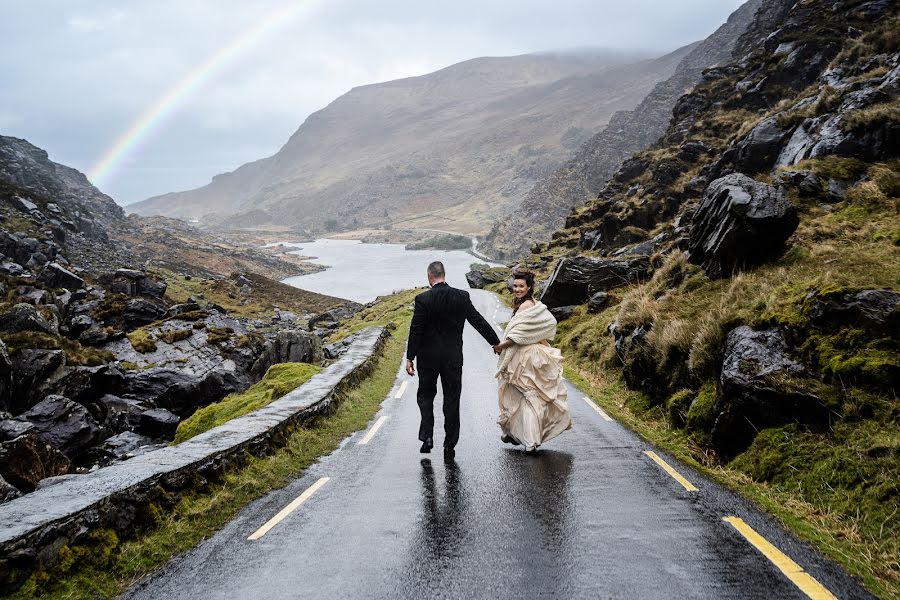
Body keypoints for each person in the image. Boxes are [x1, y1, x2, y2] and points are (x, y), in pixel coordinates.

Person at [406, 261, 501, 459]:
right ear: (443, 274)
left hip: (428, 358)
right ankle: (449, 445)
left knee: (425, 396)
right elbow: (477, 320)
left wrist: (410, 357)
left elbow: (416, 330)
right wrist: (495, 342)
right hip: (452, 358)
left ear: (430, 275)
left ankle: (427, 437)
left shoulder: (422, 299)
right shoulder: (461, 296)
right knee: (451, 399)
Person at [493, 269, 571, 452]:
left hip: (525, 357)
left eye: (521, 286)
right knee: (521, 395)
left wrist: (501, 346)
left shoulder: (525, 306)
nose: (517, 289)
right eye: (515, 286)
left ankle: (531, 440)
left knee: (529, 396)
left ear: (529, 287)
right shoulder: (535, 304)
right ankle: (514, 433)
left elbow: (518, 336)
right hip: (531, 354)